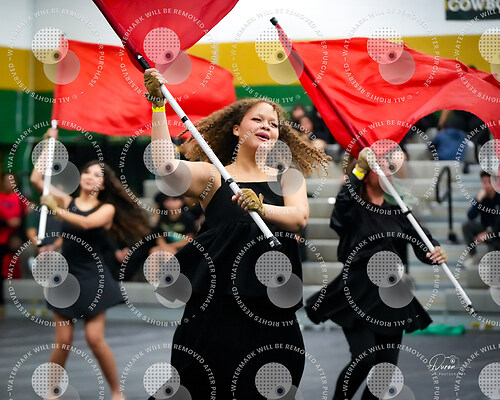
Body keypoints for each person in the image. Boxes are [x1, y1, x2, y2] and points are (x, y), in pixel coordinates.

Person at [144, 69, 330, 398]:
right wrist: (158, 106)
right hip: (215, 309)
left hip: (270, 309)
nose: (266, 126)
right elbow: (166, 170)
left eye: (273, 124)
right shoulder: (214, 176)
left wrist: (261, 207)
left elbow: (299, 217)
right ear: (236, 129)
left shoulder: (288, 177)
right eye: (257, 119)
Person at [305, 149, 447, 400]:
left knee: (386, 368)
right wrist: (358, 170)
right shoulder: (353, 207)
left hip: (393, 294)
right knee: (364, 358)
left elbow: (423, 242)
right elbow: (340, 211)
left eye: (389, 167)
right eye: (379, 167)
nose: (387, 172)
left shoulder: (399, 210)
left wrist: (434, 251)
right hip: (358, 291)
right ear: (366, 174)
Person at [31, 131, 150, 400]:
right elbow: (37, 179)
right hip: (65, 278)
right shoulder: (67, 200)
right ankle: (51, 392)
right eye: (87, 171)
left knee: (95, 340)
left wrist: (55, 209)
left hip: (93, 278)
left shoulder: (106, 210)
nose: (90, 176)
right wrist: (50, 143)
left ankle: (117, 392)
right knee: (63, 341)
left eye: (97, 175)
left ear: (104, 185)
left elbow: (85, 223)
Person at [462, 171, 500, 266]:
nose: (486, 186)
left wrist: (488, 233)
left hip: (497, 232)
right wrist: (478, 200)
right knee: (466, 225)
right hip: (484, 227)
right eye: (484, 182)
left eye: (489, 182)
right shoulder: (482, 198)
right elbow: (470, 216)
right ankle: (474, 256)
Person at [0, 173, 25, 309]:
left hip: (16, 239)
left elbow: (25, 222)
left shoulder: (21, 199)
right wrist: (7, 223)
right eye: (6, 181)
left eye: (11, 181)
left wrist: (19, 237)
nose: (8, 184)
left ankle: (18, 300)